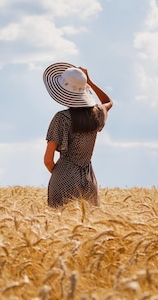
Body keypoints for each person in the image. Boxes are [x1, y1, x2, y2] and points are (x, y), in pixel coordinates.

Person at [42, 62, 113, 208]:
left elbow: (48, 160)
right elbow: (108, 102)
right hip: (89, 180)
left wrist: (61, 175)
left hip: (63, 179)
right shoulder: (97, 114)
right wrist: (89, 81)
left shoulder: (61, 118)